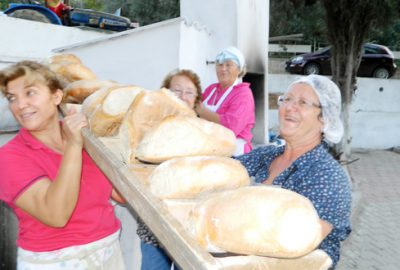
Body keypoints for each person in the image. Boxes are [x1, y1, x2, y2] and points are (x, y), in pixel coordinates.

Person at [0, 61, 126, 269]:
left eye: (30, 93)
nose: (20, 105)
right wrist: (73, 147)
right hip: (56, 261)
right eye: (12, 98)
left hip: (108, 253)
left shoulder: (86, 136)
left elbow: (121, 195)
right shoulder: (9, 157)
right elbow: (56, 215)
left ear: (56, 96)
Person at [235, 75, 352, 269]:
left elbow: (296, 241)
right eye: (287, 99)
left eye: (303, 102)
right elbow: (223, 175)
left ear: (324, 119)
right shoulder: (266, 155)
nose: (290, 107)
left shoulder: (328, 177)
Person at [136, 68, 202, 270]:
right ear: (164, 94)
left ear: (197, 99)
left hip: (191, 228)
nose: (183, 96)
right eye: (176, 90)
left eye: (189, 92)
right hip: (154, 224)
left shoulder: (205, 134)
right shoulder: (150, 129)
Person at [195, 46, 255, 156]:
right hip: (212, 148)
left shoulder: (243, 94)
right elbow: (195, 106)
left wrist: (203, 112)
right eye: (219, 64)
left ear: (239, 69)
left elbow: (231, 128)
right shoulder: (212, 89)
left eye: (228, 65)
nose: (223, 69)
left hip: (235, 153)